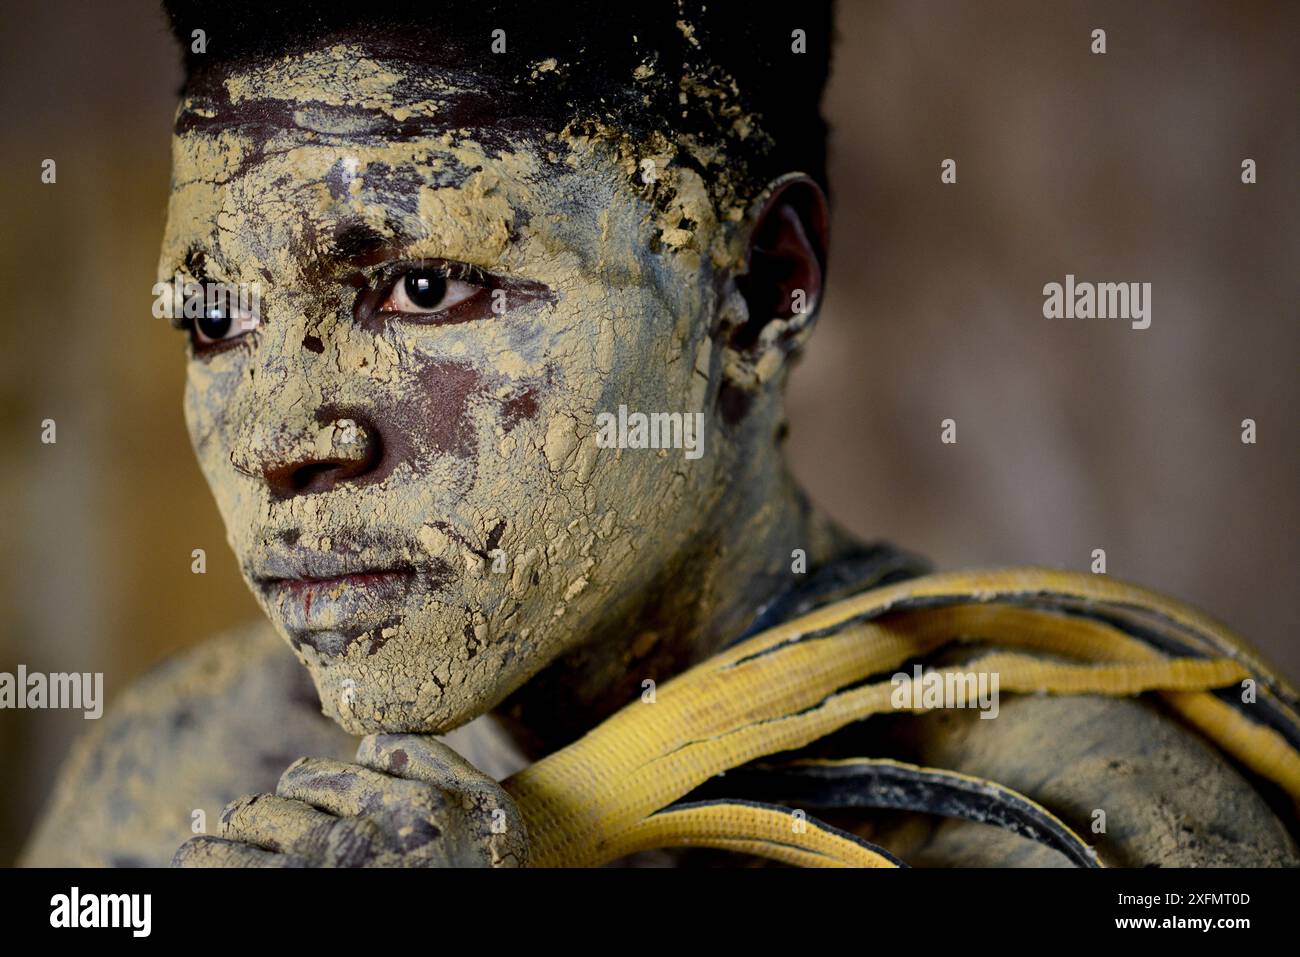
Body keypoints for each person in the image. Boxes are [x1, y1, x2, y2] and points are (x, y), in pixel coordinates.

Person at [22, 1, 1299, 867]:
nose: (276, 438)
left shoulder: (1101, 831)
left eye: (421, 289)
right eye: (213, 321)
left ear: (754, 291)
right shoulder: (172, 773)